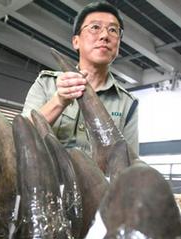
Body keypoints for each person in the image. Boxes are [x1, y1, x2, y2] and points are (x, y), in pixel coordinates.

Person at [22, 1, 139, 155]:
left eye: (113, 30)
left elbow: (129, 163)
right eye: (95, 27)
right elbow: (22, 137)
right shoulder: (46, 83)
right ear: (76, 41)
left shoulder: (128, 103)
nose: (104, 36)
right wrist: (59, 101)